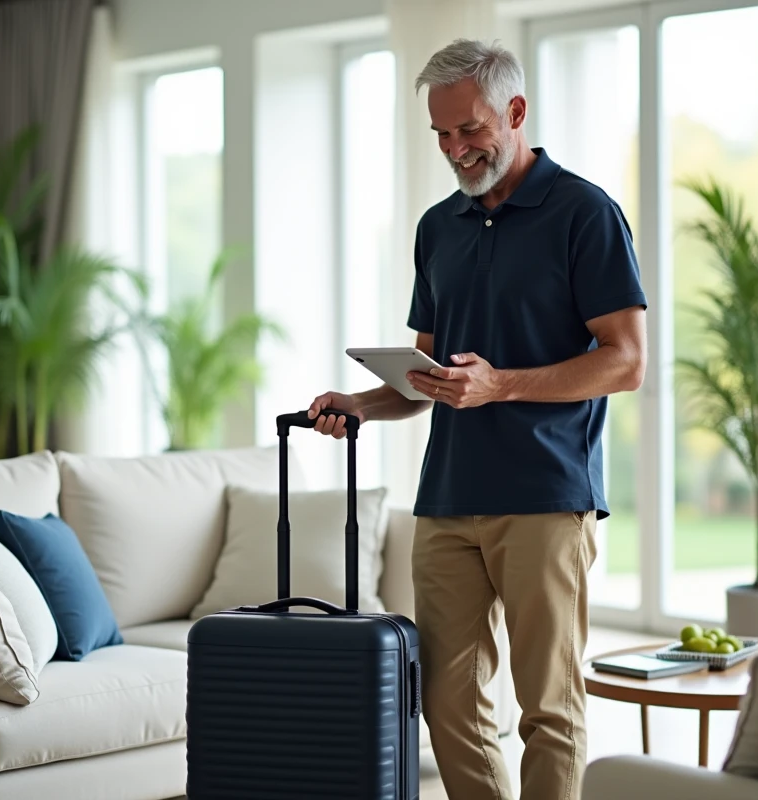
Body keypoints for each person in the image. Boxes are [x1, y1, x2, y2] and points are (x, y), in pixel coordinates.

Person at [307, 38, 647, 800]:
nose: (456, 149)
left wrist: (503, 386)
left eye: (470, 129)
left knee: (547, 708)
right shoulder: (439, 227)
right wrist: (360, 403)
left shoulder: (584, 213)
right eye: (441, 135)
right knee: (448, 700)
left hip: (547, 499)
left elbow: (626, 361)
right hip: (449, 500)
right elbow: (431, 378)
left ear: (515, 112)